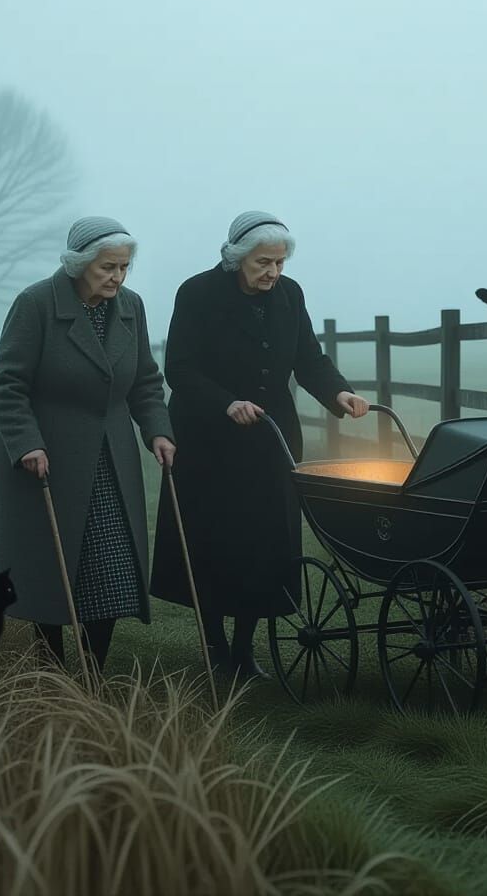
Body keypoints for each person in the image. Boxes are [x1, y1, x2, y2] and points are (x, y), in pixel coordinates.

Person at [149, 211, 369, 678]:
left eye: (280, 262)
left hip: (271, 437)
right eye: (263, 262)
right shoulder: (197, 293)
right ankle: (214, 644)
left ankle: (245, 649)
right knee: (212, 539)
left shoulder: (290, 295)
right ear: (237, 258)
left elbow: (309, 358)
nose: (273, 272)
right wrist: (226, 402)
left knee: (264, 542)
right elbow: (180, 368)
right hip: (208, 438)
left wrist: (339, 393)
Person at [0, 216, 175, 673]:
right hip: (46, 456)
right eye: (107, 268)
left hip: (111, 459)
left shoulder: (131, 307)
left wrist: (158, 429)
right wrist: (26, 443)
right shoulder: (36, 303)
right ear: (80, 264)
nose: (117, 277)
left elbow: (145, 380)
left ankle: (93, 673)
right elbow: (6, 383)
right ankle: (52, 671)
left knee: (112, 568)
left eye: (124, 267)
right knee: (51, 569)